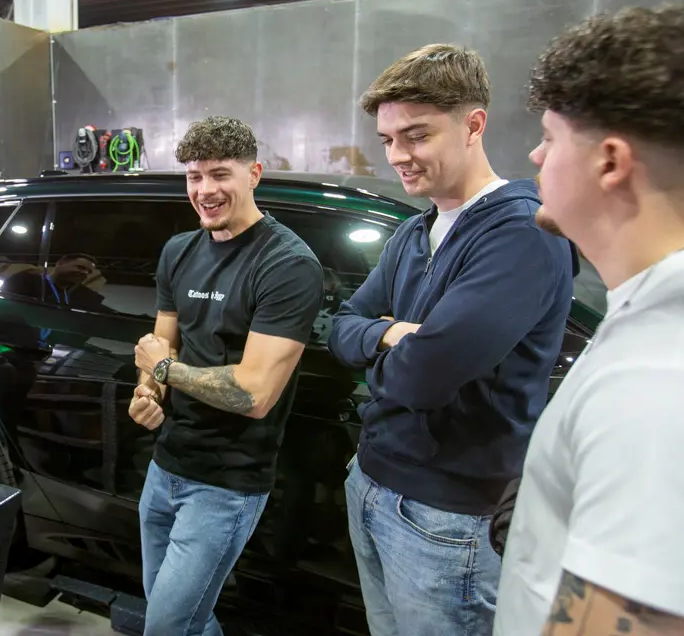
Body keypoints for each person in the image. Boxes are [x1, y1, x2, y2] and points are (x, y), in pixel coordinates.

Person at [327, 44, 575, 635]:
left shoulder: (521, 234)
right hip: (371, 481)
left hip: (448, 518)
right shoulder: (414, 232)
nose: (398, 155)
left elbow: (423, 377)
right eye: (388, 140)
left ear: (473, 125)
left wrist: (382, 349)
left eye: (416, 135)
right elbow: (339, 327)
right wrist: (392, 333)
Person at [495, 4, 684, 635]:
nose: (535, 153)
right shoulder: (650, 328)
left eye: (550, 137)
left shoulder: (656, 374)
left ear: (610, 162)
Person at [129, 115, 324, 636]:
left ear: (253, 174)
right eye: (194, 177)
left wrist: (163, 369)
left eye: (220, 174)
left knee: (168, 626)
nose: (205, 190)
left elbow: (255, 393)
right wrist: (147, 391)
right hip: (165, 465)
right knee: (179, 618)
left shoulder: (286, 264)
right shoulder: (179, 251)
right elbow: (161, 344)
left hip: (226, 483)